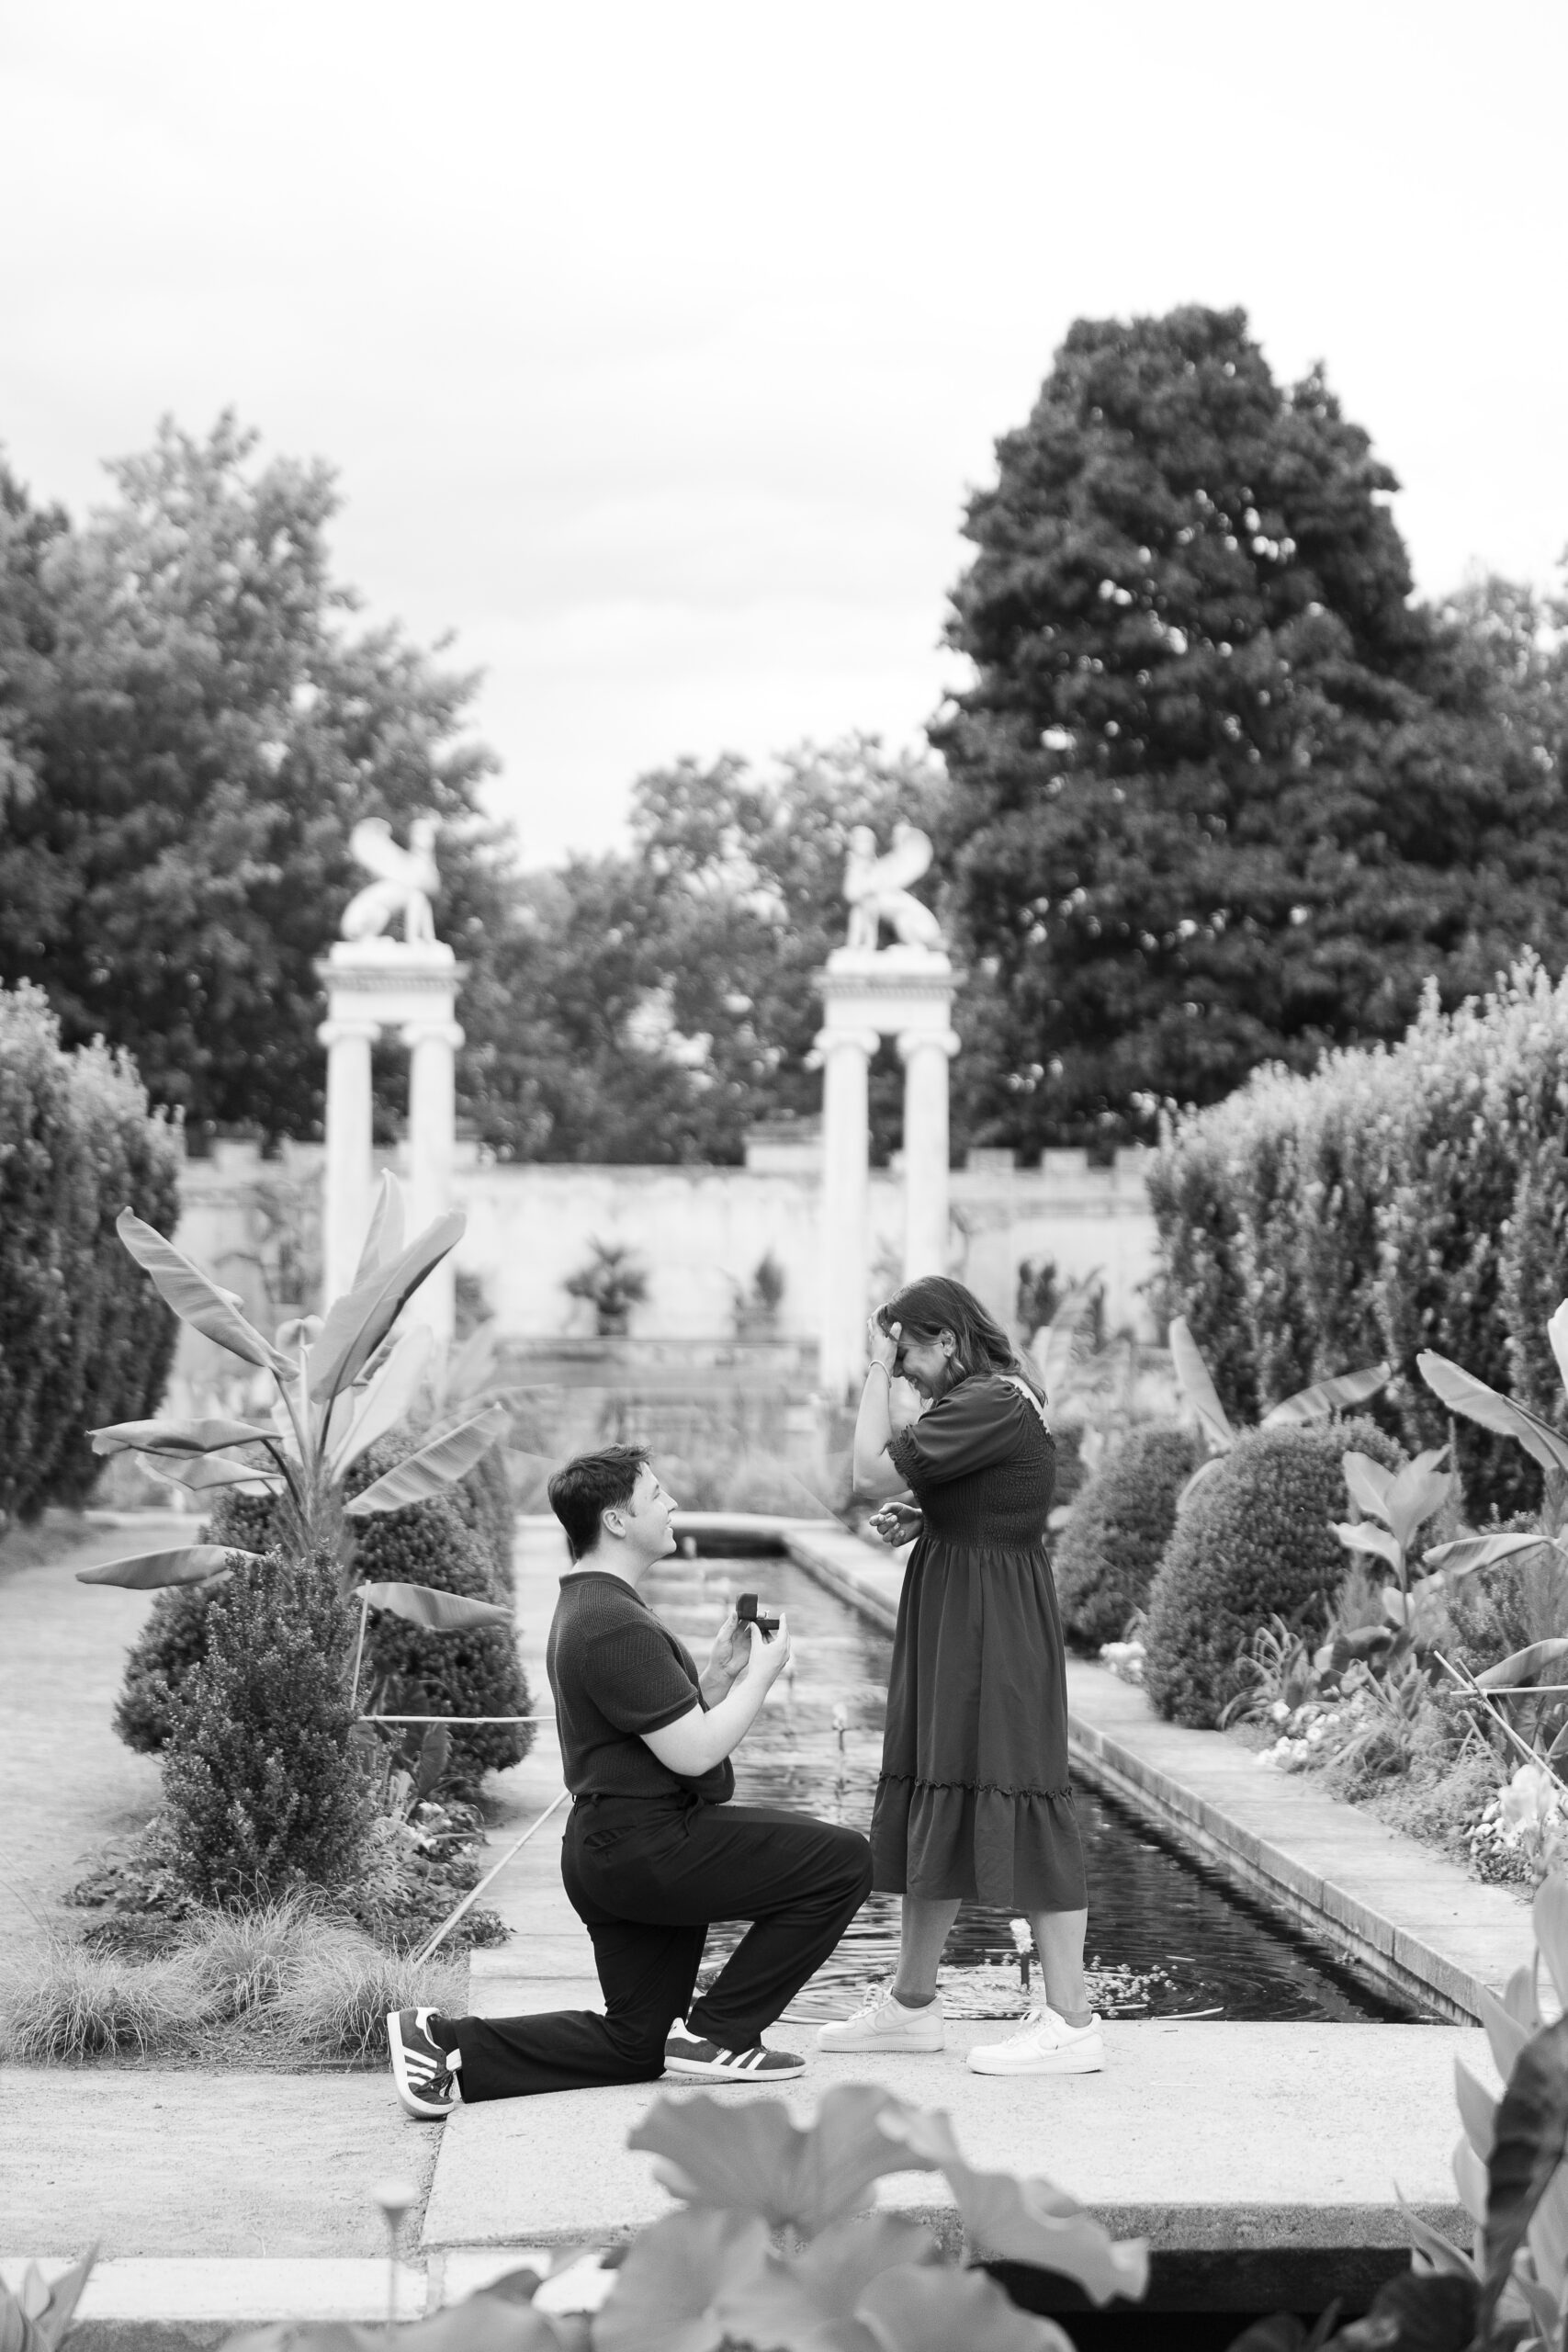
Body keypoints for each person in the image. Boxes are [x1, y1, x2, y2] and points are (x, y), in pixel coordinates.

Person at [387, 1443, 873, 2118]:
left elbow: (655, 1732)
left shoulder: (595, 1606)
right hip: (647, 1847)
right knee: (842, 1861)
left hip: (614, 1849)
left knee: (636, 2045)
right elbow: (694, 1755)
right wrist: (762, 1678)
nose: (671, 1503)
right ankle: (720, 2032)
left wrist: (721, 1678)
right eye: (656, 1494)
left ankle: (440, 2042)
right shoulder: (611, 1620)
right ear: (616, 1520)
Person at [817, 1274, 1100, 2077]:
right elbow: (993, 1494)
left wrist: (869, 1371)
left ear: (944, 1339)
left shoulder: (992, 1400)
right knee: (934, 1783)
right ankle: (911, 2004)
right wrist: (934, 1511)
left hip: (990, 1623)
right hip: (961, 1608)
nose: (902, 1373)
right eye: (893, 1364)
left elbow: (868, 1472)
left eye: (906, 1355)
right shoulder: (987, 1399)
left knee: (1022, 1787)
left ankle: (1072, 2022)